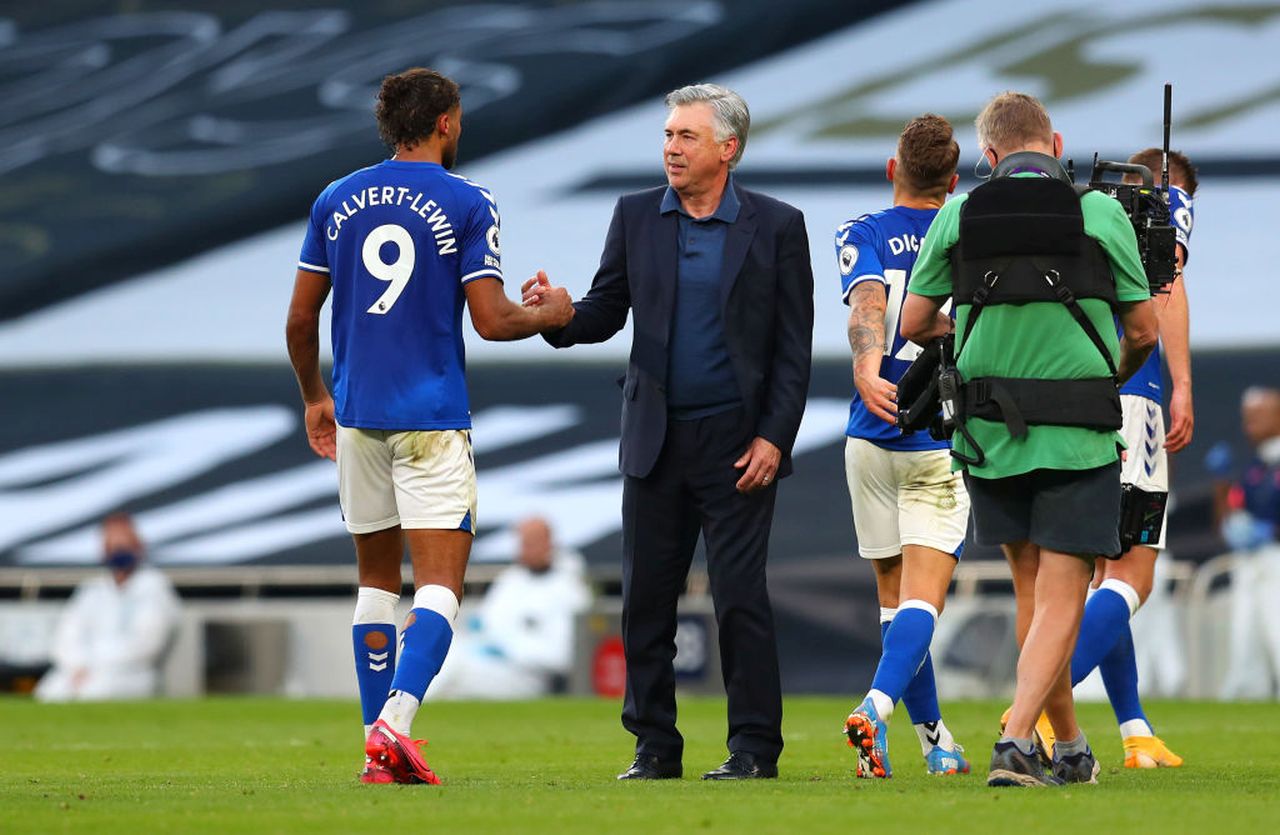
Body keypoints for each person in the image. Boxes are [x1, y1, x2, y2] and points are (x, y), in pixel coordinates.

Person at [285, 67, 574, 785]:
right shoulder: (469, 200)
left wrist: (314, 396)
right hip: (431, 419)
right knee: (441, 587)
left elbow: (298, 319)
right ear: (445, 122)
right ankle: (396, 722)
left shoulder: (335, 198)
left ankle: (372, 749)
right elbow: (493, 317)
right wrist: (554, 313)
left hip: (356, 417)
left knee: (375, 586)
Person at [523, 83, 814, 781]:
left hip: (739, 445)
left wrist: (775, 436)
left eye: (687, 136)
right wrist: (559, 315)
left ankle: (752, 748)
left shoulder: (777, 225)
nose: (671, 148)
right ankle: (654, 745)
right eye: (668, 136)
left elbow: (792, 349)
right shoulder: (635, 217)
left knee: (740, 597)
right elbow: (604, 310)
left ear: (727, 149)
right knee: (645, 600)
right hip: (655, 439)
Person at [901, 91, 1157, 787]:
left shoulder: (959, 212)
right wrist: (1111, 372)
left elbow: (915, 321)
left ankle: (1069, 742)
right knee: (1065, 591)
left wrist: (976, 332)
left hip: (988, 433)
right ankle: (1017, 739)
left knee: (1031, 590)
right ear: (1055, 143)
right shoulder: (1100, 212)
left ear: (988, 156)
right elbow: (1143, 331)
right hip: (1077, 429)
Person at [835, 114, 972, 779]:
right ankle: (876, 704)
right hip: (935, 436)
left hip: (868, 433)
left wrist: (866, 366)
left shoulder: (861, 231)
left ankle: (934, 741)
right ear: (951, 181)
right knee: (923, 601)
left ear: (895, 170)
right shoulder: (965, 231)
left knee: (894, 601)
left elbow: (867, 302)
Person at [1063, 149, 1198, 769]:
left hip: (1073, 397)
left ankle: (1134, 729)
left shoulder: (1088, 215)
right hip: (1136, 400)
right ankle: (1041, 701)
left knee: (1101, 575)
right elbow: (1166, 293)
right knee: (1131, 577)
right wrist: (1183, 388)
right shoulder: (1166, 208)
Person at [428, 517, 591, 699]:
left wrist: (509, 649)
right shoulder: (511, 579)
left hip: (530, 677)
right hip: (490, 662)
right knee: (441, 647)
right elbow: (484, 622)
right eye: (523, 543)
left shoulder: (569, 589)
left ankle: (402, 708)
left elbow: (562, 655)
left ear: (549, 542)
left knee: (455, 667)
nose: (525, 549)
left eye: (532, 543)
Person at [36, 513, 181, 702]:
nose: (117, 552)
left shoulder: (154, 588)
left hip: (132, 675)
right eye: (111, 546)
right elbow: (66, 637)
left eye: (123, 545)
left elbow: (147, 645)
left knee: (95, 691)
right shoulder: (91, 591)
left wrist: (97, 666)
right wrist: (79, 665)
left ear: (139, 547)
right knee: (51, 691)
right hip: (82, 670)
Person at [1218, 387, 1280, 699]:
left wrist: (1271, 531)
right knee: (1246, 633)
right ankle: (1247, 693)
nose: (1248, 427)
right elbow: (1234, 509)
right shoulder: (1256, 469)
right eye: (1247, 420)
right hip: (1253, 561)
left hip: (1276, 559)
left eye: (1257, 418)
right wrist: (1221, 483)